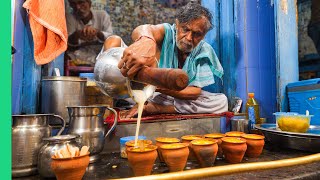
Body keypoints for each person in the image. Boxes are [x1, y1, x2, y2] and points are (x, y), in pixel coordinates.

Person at [103, 2, 228, 117]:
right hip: (155, 95)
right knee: (113, 42)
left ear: (204, 35)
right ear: (177, 24)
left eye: (197, 34)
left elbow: (194, 93)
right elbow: (144, 29)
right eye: (185, 29)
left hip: (166, 96)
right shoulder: (167, 32)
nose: (189, 37)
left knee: (220, 102)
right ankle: (149, 104)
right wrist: (147, 40)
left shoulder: (203, 50)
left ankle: (157, 108)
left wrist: (156, 86)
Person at [65, 0, 113, 66]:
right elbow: (67, 43)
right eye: (73, 4)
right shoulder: (69, 17)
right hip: (76, 59)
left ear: (89, 3)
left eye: (81, 2)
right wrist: (78, 34)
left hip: (99, 58)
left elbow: (111, 38)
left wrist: (97, 33)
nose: (77, 7)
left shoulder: (102, 15)